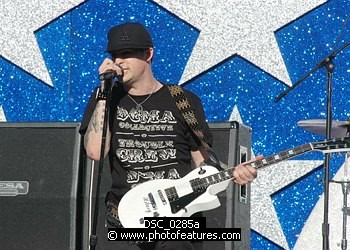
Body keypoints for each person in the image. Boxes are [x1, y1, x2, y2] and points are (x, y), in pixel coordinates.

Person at [80, 22, 259, 250]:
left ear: (148, 54)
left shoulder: (183, 100)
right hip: (125, 216)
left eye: (126, 54)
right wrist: (104, 94)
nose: (118, 62)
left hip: (178, 216)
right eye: (114, 55)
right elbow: (95, 152)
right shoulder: (104, 98)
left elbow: (202, 161)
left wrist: (235, 173)